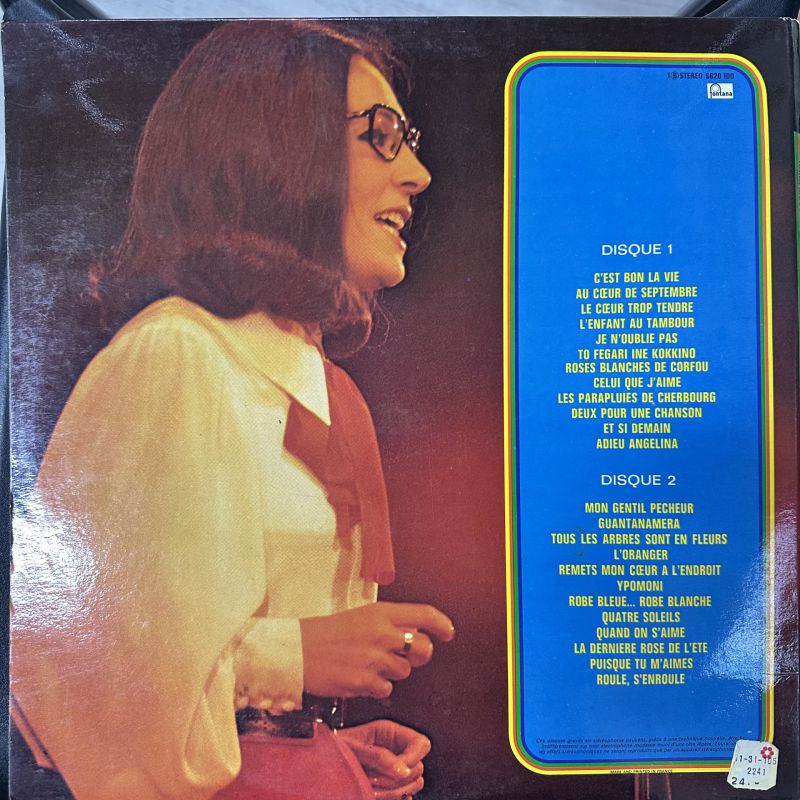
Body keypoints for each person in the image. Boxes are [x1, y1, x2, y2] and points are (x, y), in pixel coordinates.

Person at [10, 20, 453, 800]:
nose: (417, 173)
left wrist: (316, 744)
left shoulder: (313, 382)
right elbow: (77, 666)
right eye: (382, 136)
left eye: (409, 141)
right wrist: (294, 663)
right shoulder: (177, 354)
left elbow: (199, 667)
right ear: (275, 145)